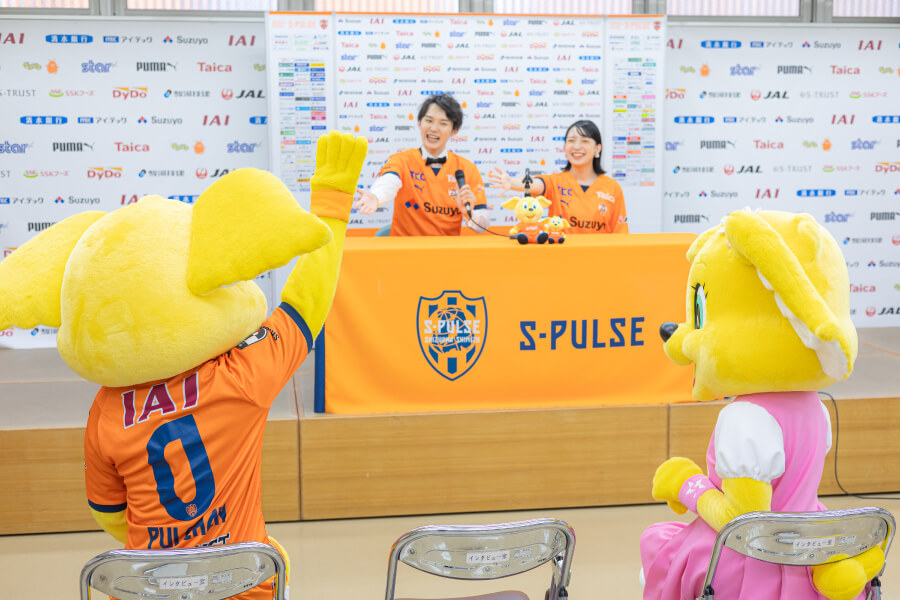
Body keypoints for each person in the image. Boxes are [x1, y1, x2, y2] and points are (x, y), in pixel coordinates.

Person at [353, 94, 490, 236]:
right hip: (404, 248)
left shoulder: (467, 169)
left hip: (446, 249)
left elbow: (482, 227)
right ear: (419, 123)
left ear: (454, 130)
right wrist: (376, 197)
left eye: (443, 123)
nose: (434, 129)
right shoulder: (402, 160)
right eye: (429, 121)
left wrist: (468, 212)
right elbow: (389, 181)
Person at [489, 119, 628, 234]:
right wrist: (511, 182)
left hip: (599, 256)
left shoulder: (612, 188)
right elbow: (534, 184)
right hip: (561, 256)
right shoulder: (555, 182)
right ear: (565, 147)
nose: (576, 146)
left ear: (597, 149)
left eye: (585, 141)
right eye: (571, 140)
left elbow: (620, 234)